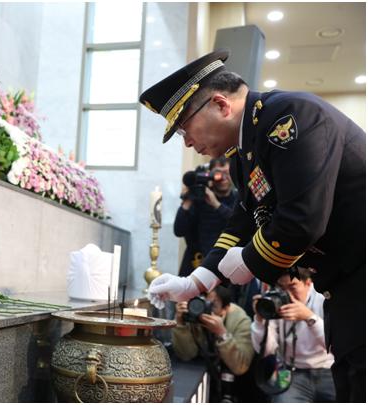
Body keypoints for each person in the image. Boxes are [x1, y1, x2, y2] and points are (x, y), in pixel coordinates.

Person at [141, 49, 365, 402]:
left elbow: (301, 221)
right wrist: (196, 280)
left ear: (220, 104)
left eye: (185, 128)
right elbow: (243, 219)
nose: (187, 142)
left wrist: (248, 261)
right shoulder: (244, 152)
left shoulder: (290, 118)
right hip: (346, 287)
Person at [251, 267, 336, 402]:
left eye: (292, 287)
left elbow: (334, 345)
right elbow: (266, 350)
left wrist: (309, 317)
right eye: (282, 288)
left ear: (308, 283)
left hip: (328, 370)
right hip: (293, 372)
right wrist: (260, 319)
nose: (288, 294)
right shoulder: (277, 301)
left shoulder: (322, 299)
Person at [172, 285, 254, 402]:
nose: (205, 309)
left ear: (226, 309)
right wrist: (180, 324)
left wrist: (222, 333)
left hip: (232, 386)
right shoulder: (193, 314)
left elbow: (240, 367)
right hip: (198, 377)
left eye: (212, 305)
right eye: (203, 301)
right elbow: (186, 355)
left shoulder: (240, 320)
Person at [174, 157, 237, 277]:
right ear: (210, 175)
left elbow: (239, 224)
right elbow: (178, 230)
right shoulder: (198, 199)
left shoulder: (238, 199)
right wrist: (188, 199)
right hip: (195, 265)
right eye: (219, 173)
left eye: (228, 173)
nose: (223, 178)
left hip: (225, 269)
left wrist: (216, 205)